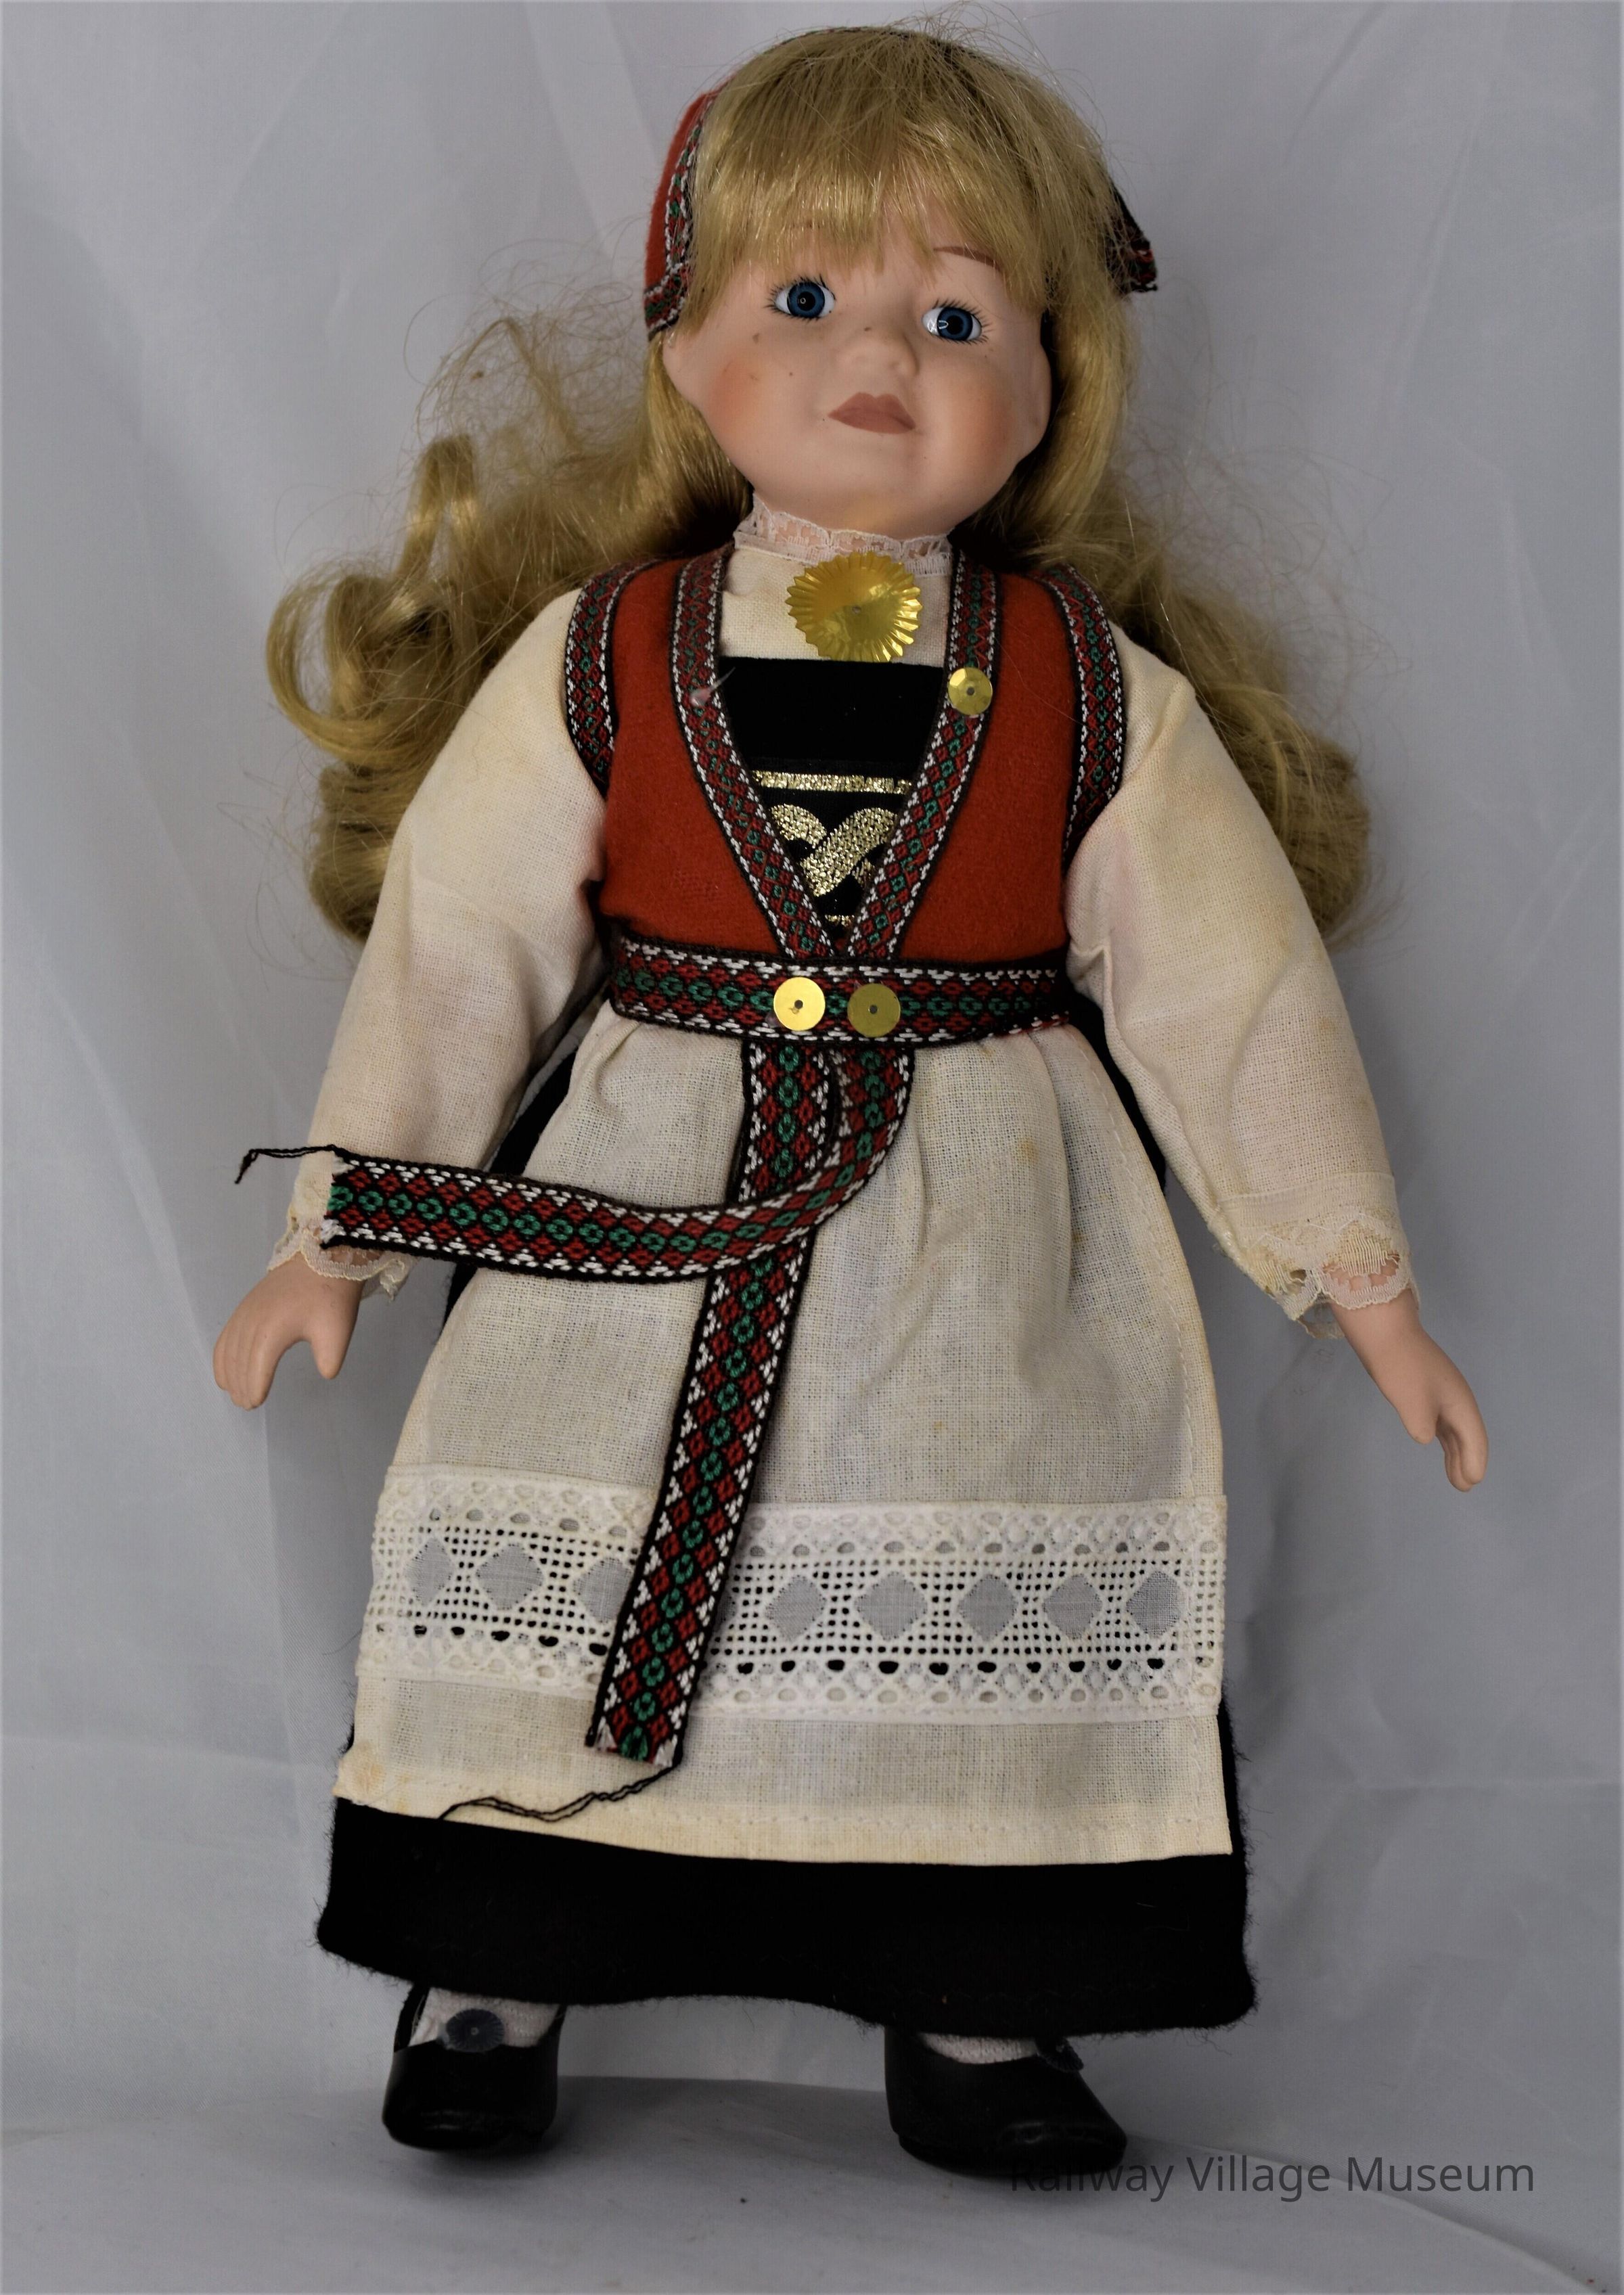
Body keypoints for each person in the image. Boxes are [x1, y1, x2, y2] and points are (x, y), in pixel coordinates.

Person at [215, 23, 1487, 2175]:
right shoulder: (603, 658)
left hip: (985, 1224)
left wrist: (1357, 1277)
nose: (879, 355)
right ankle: (496, 1972)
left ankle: (981, 2005)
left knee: (976, 1538)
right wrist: (337, 1236)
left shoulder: (1091, 692)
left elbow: (1232, 989)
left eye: (959, 315)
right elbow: (459, 948)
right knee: (579, 1549)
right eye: (803, 297)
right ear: (690, 359)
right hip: (648, 1216)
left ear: (1052, 386)